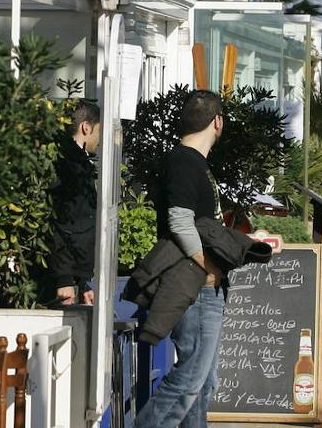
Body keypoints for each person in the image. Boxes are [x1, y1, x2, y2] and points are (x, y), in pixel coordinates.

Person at [134, 89, 228, 428]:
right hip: (195, 284)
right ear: (217, 122)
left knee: (202, 384)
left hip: (204, 285)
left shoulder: (193, 163)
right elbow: (179, 219)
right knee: (189, 380)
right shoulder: (184, 161)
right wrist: (207, 265)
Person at [44, 99, 102, 306]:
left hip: (74, 274)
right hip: (63, 278)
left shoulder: (77, 162)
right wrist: (65, 278)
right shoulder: (69, 165)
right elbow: (61, 223)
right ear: (86, 127)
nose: (100, 138)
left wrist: (83, 281)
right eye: (98, 131)